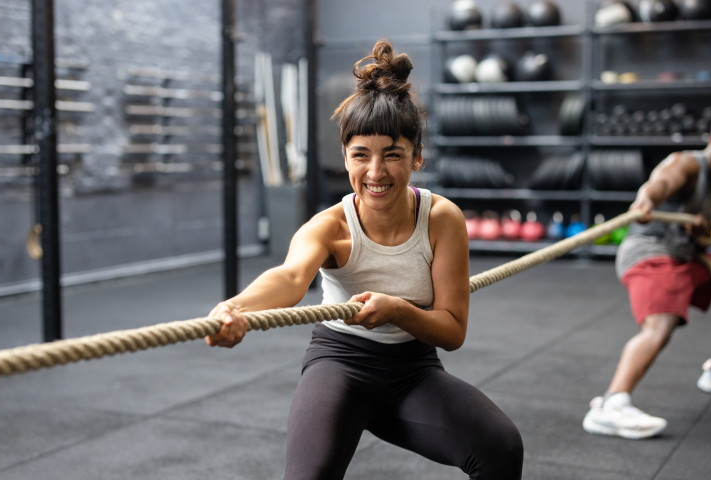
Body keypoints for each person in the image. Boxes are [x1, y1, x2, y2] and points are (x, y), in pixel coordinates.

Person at [205, 41, 523, 479]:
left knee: (501, 448)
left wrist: (397, 309)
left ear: (417, 156)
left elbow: (452, 330)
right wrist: (236, 307)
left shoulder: (442, 219)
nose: (375, 172)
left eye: (393, 154)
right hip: (340, 364)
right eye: (361, 155)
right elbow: (290, 277)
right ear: (346, 157)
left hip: (413, 371)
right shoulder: (330, 225)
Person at [583, 107, 711, 440]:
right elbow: (662, 181)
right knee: (660, 324)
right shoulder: (689, 163)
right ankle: (610, 405)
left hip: (687, 255)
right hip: (651, 252)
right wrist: (646, 199)